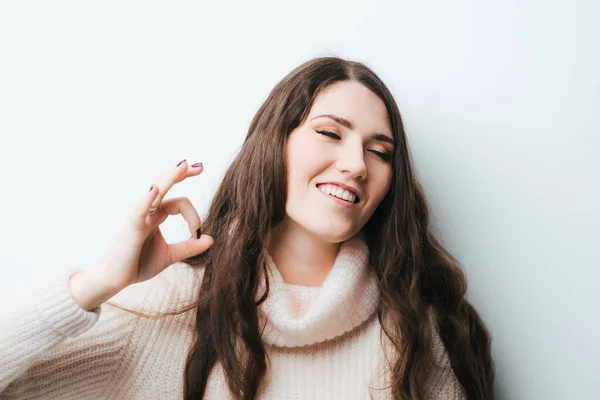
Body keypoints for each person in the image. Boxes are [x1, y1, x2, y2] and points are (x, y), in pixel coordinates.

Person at [0, 56, 495, 399]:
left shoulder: (414, 331)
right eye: (329, 133)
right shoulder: (169, 308)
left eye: (379, 151)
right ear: (274, 142)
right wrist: (98, 283)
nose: (356, 164)